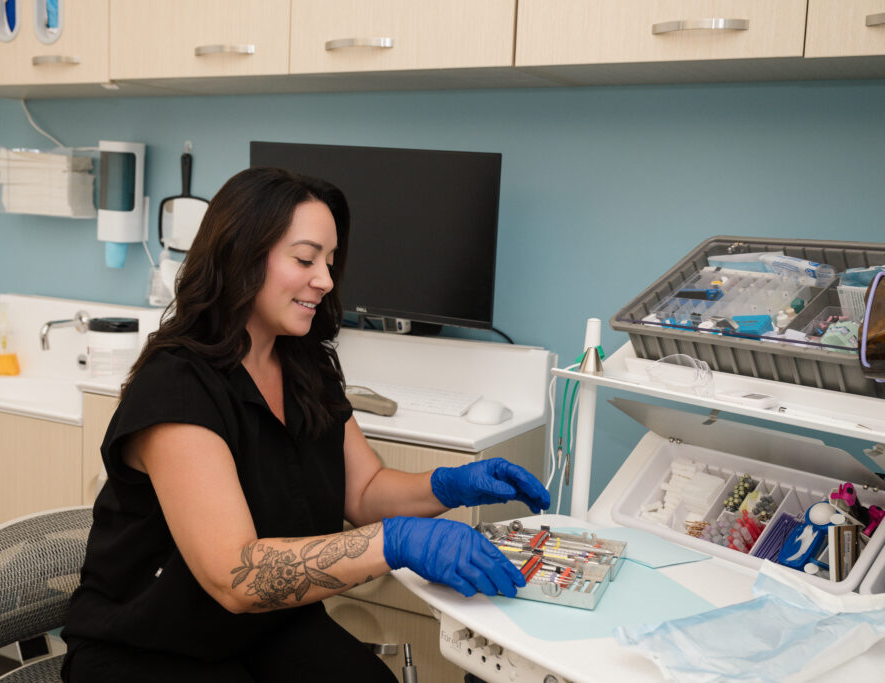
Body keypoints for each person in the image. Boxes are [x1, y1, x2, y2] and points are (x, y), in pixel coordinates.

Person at [61, 167, 550, 682]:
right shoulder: (178, 387)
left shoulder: (303, 365)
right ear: (241, 255)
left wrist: (451, 485)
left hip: (263, 630)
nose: (326, 279)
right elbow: (239, 576)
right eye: (305, 258)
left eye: (331, 261)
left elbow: (363, 492)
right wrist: (396, 541)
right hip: (150, 648)